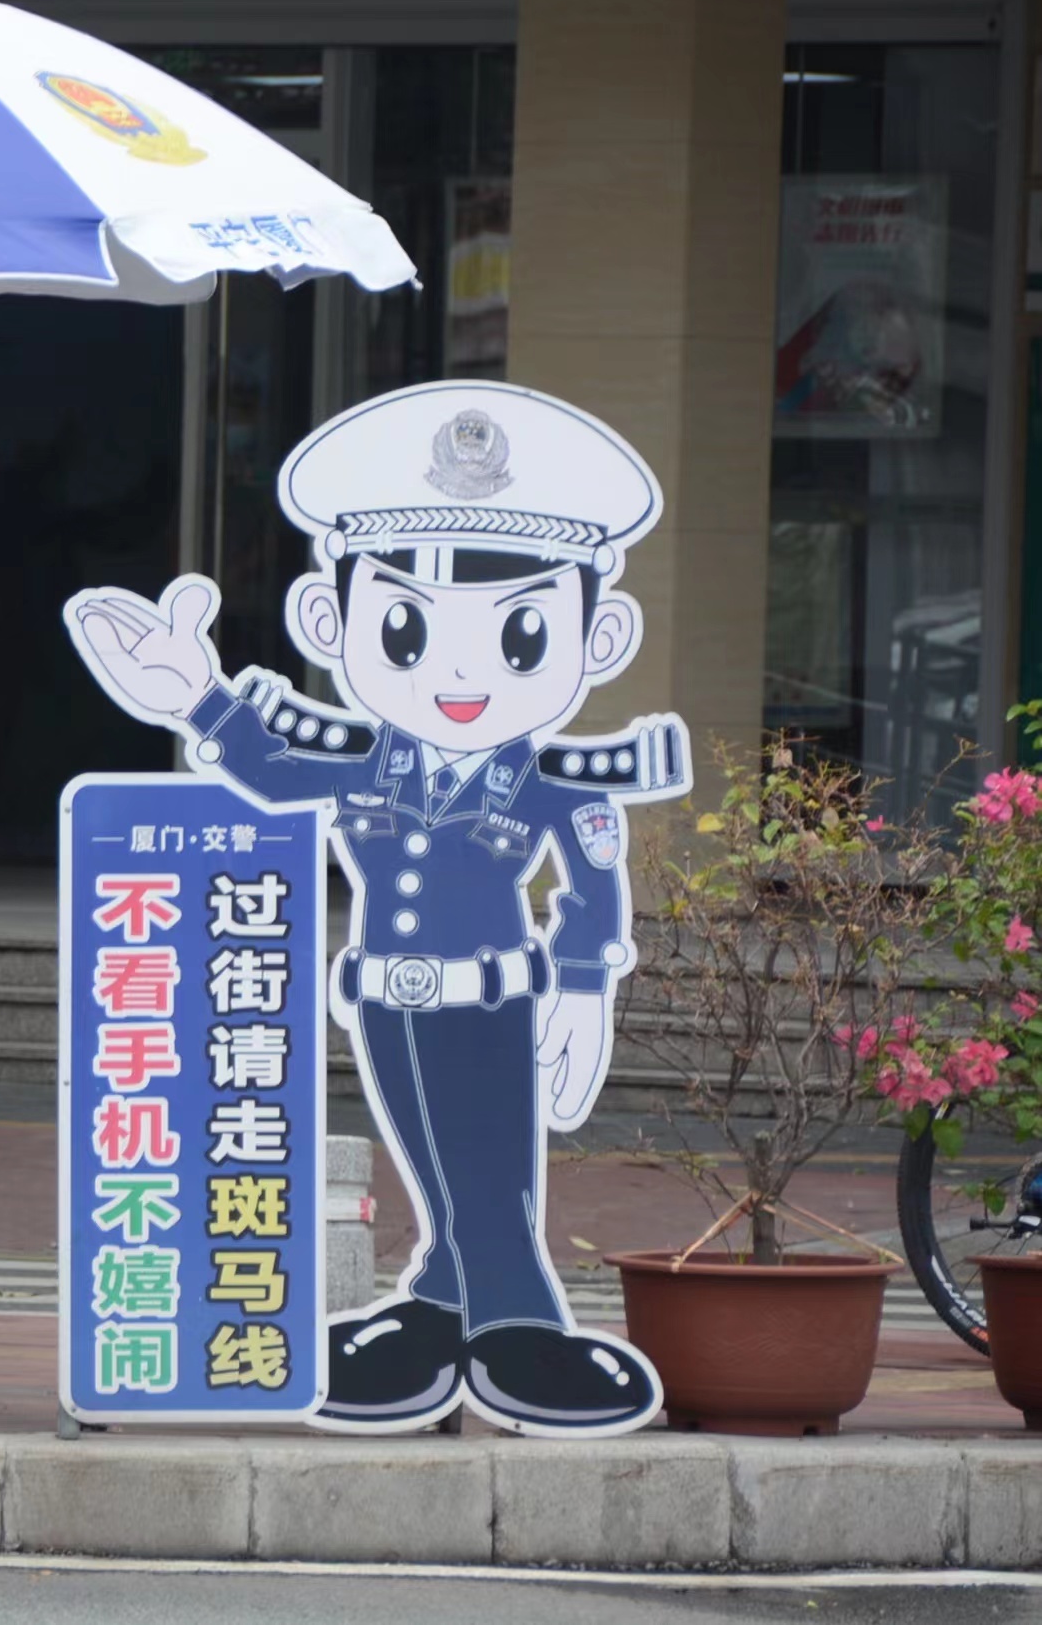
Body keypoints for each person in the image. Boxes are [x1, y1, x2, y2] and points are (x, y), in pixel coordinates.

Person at [65, 379, 690, 1438]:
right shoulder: (364, 762)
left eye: (519, 635)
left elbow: (586, 883)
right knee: (436, 1169)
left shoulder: (552, 780)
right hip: (385, 1011)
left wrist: (583, 988)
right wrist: (194, 692)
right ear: (328, 617)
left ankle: (520, 1329)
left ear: (600, 637)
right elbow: (264, 766)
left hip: (490, 1005)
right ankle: (440, 1310)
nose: (455, 670)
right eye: (403, 626)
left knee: (489, 1174)